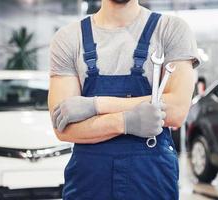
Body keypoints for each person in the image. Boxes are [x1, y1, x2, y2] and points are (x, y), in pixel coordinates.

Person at [48, 0, 200, 199]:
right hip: (89, 181)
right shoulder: (68, 38)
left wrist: (95, 105)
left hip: (151, 180)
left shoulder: (171, 30)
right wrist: (125, 122)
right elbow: (64, 127)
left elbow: (176, 110)